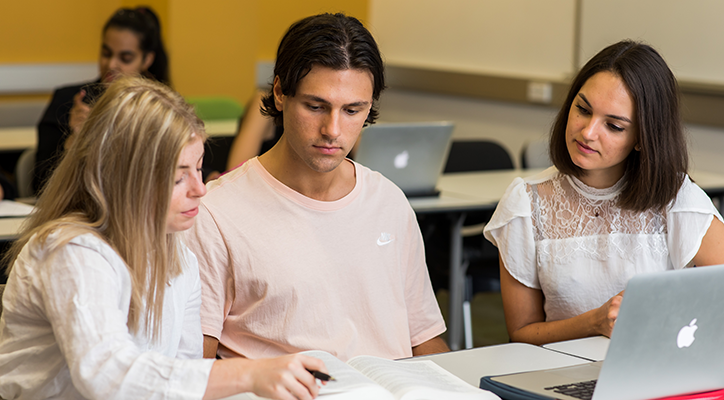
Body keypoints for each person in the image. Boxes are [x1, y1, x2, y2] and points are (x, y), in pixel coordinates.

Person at [0, 77, 327, 400]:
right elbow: (106, 375)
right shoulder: (70, 251)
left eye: (199, 169)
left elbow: (180, 371)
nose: (199, 190)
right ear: (125, 180)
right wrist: (250, 373)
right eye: (177, 177)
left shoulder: (180, 257)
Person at [187, 13, 449, 362]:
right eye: (315, 106)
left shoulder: (388, 201)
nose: (333, 130)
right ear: (279, 92)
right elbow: (195, 370)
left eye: (353, 110)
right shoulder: (216, 214)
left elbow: (425, 339)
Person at [483, 40, 724, 346]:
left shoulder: (674, 197)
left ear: (642, 138)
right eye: (582, 109)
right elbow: (522, 332)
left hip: (652, 369)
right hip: (557, 371)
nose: (588, 132)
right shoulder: (526, 203)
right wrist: (593, 323)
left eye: (614, 125)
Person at [33, 6, 169, 195]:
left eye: (126, 58)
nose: (111, 64)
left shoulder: (158, 107)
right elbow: (40, 184)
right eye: (106, 53)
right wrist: (74, 140)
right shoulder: (67, 101)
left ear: (147, 60)